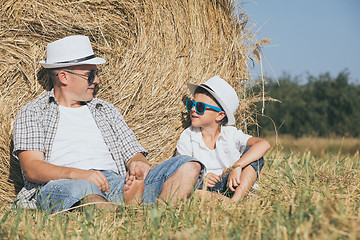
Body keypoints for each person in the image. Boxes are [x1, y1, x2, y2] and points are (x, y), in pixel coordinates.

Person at [12, 35, 204, 212]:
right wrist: (81, 175)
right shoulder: (34, 111)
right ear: (64, 77)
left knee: (188, 165)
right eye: (90, 74)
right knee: (83, 190)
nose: (97, 80)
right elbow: (32, 168)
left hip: (117, 183)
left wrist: (138, 164)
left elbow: (133, 152)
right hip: (65, 184)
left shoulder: (106, 110)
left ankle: (159, 215)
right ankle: (127, 214)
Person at [176, 76, 270, 202]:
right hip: (205, 187)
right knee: (187, 189)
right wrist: (201, 179)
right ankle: (224, 201)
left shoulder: (230, 134)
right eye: (191, 104)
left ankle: (234, 201)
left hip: (233, 183)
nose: (193, 109)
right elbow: (182, 171)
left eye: (199, 107)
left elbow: (263, 144)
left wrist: (237, 166)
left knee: (256, 158)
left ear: (220, 115)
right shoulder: (187, 137)